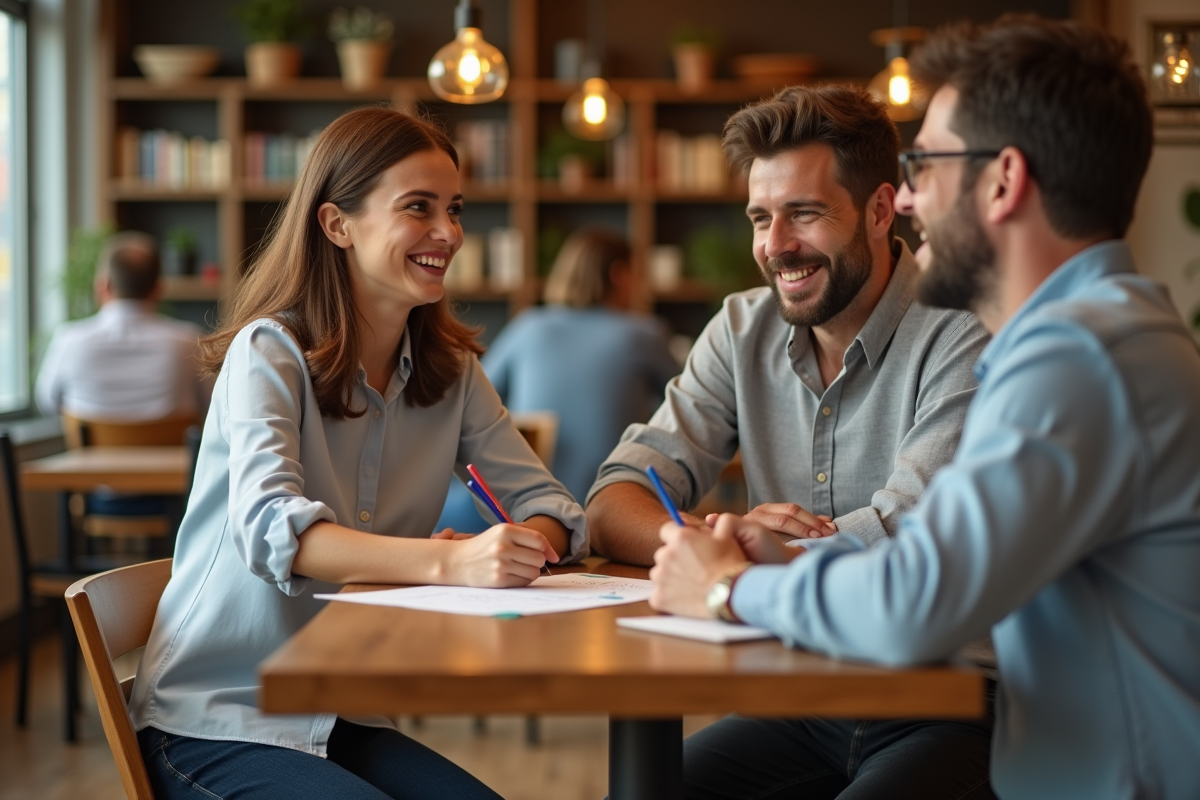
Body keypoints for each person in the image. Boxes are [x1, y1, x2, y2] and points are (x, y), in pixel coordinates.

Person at [650, 17, 1200, 800]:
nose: (905, 200)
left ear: (1003, 182)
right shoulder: (1100, 335)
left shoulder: (1077, 358)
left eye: (926, 165)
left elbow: (917, 599)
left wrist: (725, 589)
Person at [128, 107, 588, 800]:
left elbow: (554, 507)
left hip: (342, 712)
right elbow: (271, 530)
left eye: (455, 209)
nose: (450, 233)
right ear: (337, 224)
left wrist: (522, 545)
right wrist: (451, 562)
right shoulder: (269, 352)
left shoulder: (452, 371)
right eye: (418, 208)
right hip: (213, 717)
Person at [588, 84, 994, 799]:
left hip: (948, 699)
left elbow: (915, 531)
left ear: (877, 209)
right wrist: (705, 540)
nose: (776, 246)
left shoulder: (960, 327)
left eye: (803, 213)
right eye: (760, 218)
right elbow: (615, 495)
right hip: (804, 699)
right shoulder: (742, 328)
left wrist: (739, 560)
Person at [438, 227, 679, 532]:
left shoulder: (528, 326)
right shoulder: (642, 334)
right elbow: (688, 409)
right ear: (620, 275)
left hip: (521, 511)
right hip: (607, 512)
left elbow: (470, 401)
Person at [35, 230, 210, 423]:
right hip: (171, 453)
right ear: (158, 289)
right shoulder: (190, 342)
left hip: (92, 453)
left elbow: (48, 403)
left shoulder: (69, 340)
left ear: (103, 286)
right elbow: (211, 405)